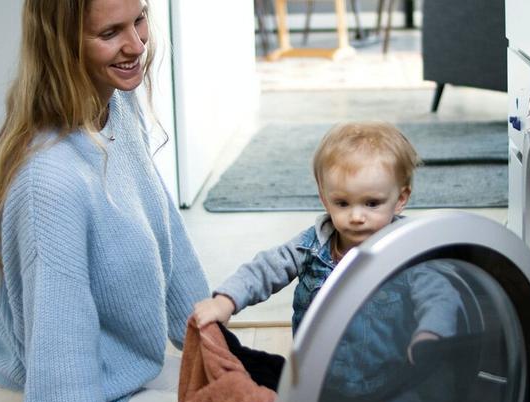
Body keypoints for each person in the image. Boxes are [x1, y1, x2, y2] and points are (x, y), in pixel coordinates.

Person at [0, 0, 208, 402]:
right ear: (62, 44)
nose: (137, 45)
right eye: (110, 33)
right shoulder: (50, 181)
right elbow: (61, 371)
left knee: (272, 395)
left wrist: (217, 352)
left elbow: (170, 240)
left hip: (125, 373)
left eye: (140, 19)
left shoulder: (115, 106)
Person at [189, 121, 461, 386]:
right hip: (315, 382)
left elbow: (439, 294)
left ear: (400, 199)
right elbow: (265, 268)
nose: (356, 216)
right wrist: (226, 300)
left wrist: (431, 334)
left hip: (388, 385)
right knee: (252, 375)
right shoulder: (312, 246)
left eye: (372, 203)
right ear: (324, 198)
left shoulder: (409, 250)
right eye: (342, 203)